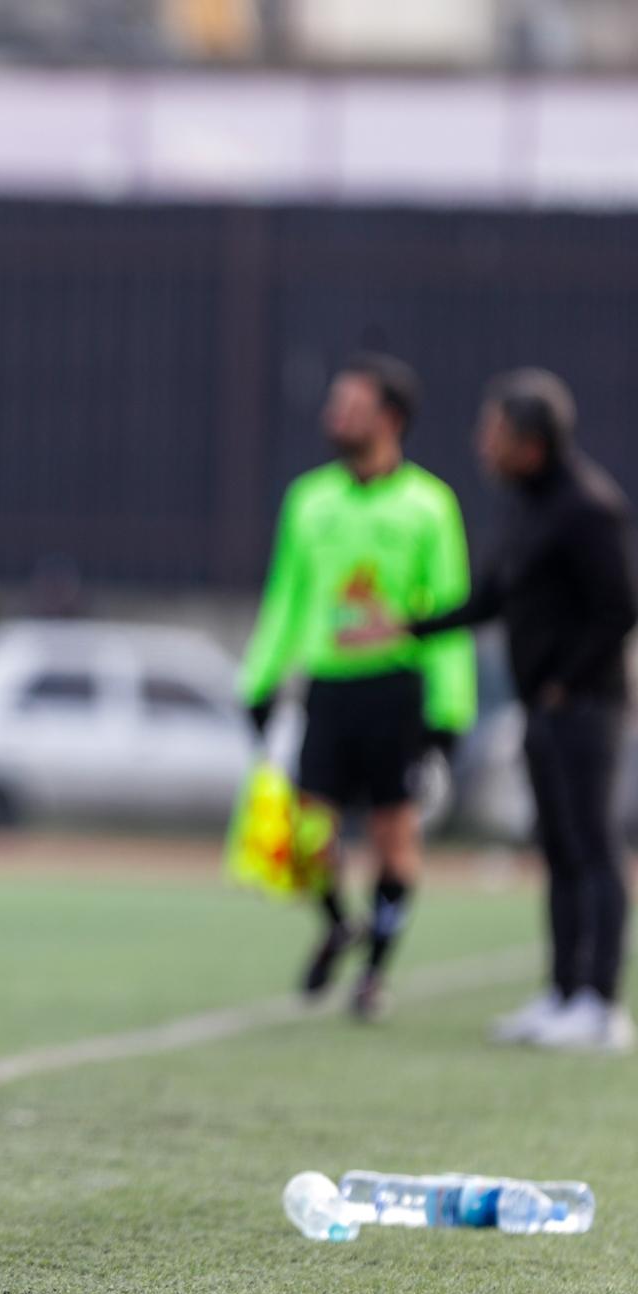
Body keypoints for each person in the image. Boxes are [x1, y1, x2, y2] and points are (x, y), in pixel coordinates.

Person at [344, 369, 637, 1052]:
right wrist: (407, 626)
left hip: (586, 706)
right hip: (543, 707)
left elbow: (620, 607)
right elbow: (492, 599)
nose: (483, 443)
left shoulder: (588, 507)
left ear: (530, 443)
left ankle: (600, 1005)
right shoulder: (527, 507)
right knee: (558, 850)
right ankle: (563, 992)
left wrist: (565, 681)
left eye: (494, 431)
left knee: (593, 849)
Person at [238, 353, 477, 1020]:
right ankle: (340, 922)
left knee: (393, 835)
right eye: (335, 405)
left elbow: (449, 610)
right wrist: (259, 679)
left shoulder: (430, 505)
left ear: (390, 418)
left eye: (351, 406)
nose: (334, 416)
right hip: (329, 690)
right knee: (307, 838)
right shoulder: (309, 500)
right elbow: (287, 598)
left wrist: (449, 709)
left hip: (396, 692)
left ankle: (374, 973)